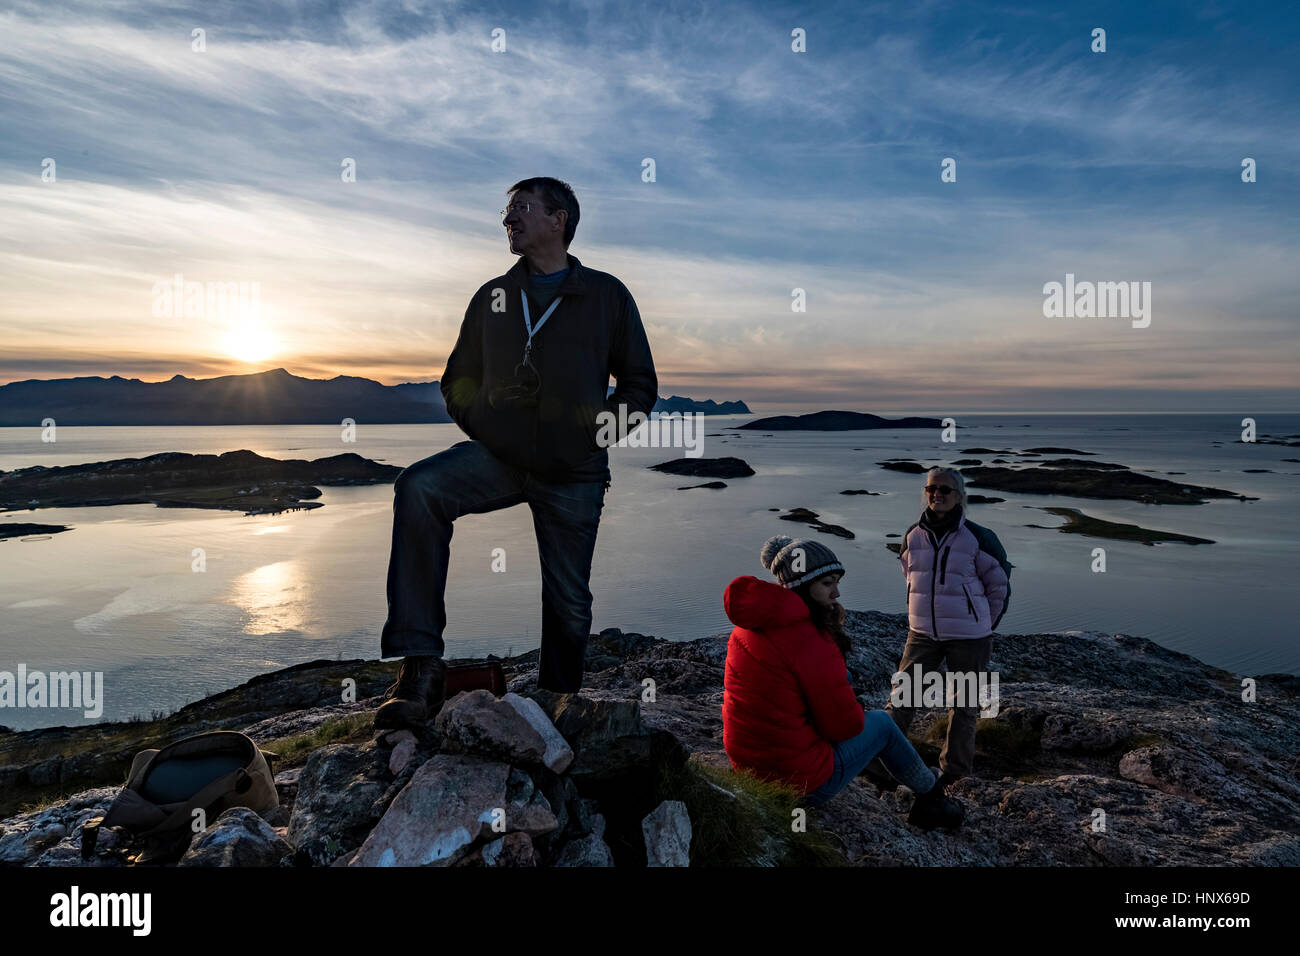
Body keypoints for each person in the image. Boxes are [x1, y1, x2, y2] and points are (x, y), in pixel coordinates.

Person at [374, 176, 658, 729]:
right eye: (508, 212)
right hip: (500, 458)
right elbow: (456, 380)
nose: (509, 220)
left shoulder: (606, 295)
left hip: (574, 471)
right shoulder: (493, 297)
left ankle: (555, 701)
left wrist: (591, 436)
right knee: (419, 488)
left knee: (569, 601)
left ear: (560, 220)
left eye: (522, 209)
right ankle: (421, 669)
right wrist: (486, 419)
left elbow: (640, 387)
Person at [721, 534, 964, 830]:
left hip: (751, 772)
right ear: (801, 586)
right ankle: (933, 798)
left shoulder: (745, 630)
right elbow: (844, 727)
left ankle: (894, 778)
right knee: (883, 725)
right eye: (827, 584)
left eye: (837, 582)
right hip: (799, 785)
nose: (836, 592)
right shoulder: (809, 639)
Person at [883, 466, 1011, 790]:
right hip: (922, 633)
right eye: (931, 489)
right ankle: (881, 765)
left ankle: (954, 775)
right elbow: (909, 575)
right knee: (902, 698)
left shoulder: (979, 538)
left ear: (959, 496)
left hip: (970, 638)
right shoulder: (913, 534)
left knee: (964, 706)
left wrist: (981, 623)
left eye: (944, 490)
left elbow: (999, 588)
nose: (937, 494)